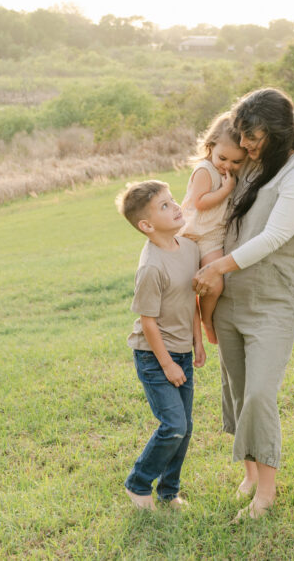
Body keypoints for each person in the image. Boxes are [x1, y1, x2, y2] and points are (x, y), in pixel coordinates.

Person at [191, 88, 294, 521]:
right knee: (237, 390)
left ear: (279, 131)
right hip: (230, 301)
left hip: (271, 302)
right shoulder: (248, 167)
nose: (243, 144)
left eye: (252, 136)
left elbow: (275, 237)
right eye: (241, 135)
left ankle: (265, 494)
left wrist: (218, 268)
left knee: (260, 394)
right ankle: (248, 474)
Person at [115, 179, 204, 510]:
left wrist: (198, 341)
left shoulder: (189, 249)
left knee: (186, 427)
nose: (176, 206)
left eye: (172, 199)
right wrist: (166, 363)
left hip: (181, 350)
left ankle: (169, 492)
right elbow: (148, 322)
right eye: (165, 205)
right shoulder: (151, 266)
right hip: (154, 356)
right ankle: (138, 484)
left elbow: (190, 298)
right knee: (174, 425)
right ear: (147, 225)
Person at [179, 112, 247, 343]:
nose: (228, 166)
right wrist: (226, 190)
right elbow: (200, 202)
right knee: (199, 283)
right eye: (223, 158)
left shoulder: (228, 173)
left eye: (236, 162)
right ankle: (199, 321)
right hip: (195, 232)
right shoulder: (205, 170)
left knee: (217, 283)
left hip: (214, 236)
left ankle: (206, 317)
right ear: (210, 147)